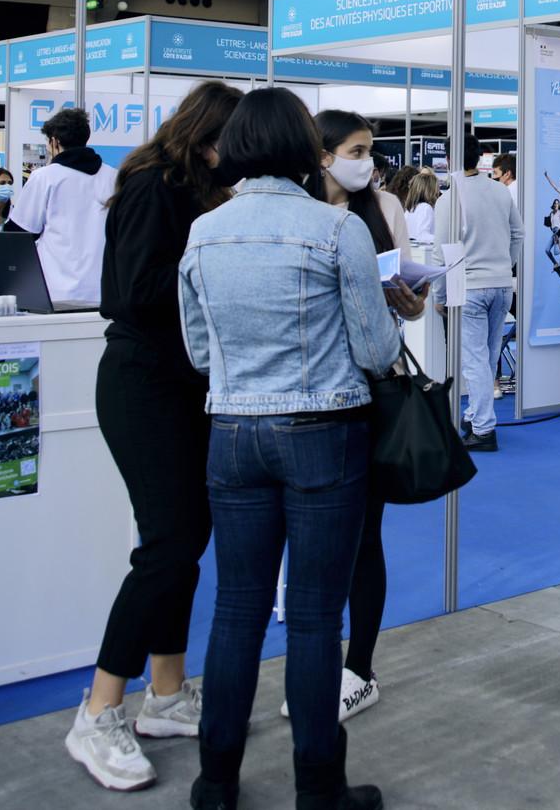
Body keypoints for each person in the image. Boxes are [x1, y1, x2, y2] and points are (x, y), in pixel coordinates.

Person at [177, 88, 399, 810]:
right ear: (307, 147)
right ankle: (318, 787)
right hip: (323, 434)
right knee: (311, 616)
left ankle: (215, 783)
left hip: (232, 432)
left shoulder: (204, 232)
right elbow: (374, 349)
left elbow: (199, 352)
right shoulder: (336, 230)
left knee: (236, 609)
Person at [66, 82, 240, 794]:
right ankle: (100, 708)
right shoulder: (151, 185)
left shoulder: (199, 188)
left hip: (186, 383)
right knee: (168, 543)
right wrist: (222, 256)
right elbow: (137, 291)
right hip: (142, 383)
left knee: (186, 536)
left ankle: (166, 694)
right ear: (208, 135)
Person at [313, 110, 426, 726]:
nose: (368, 161)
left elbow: (401, 303)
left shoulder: (384, 208)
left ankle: (360, 668)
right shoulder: (301, 208)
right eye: (358, 150)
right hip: (311, 393)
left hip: (371, 388)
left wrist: (412, 302)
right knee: (315, 544)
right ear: (324, 155)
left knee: (363, 538)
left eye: (371, 150)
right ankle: (318, 665)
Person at [437, 133, 521, 453]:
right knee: (486, 357)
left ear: (449, 158)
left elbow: (441, 251)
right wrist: (503, 266)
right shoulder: (500, 191)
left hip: (470, 288)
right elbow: (518, 234)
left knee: (474, 360)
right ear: (479, 157)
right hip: (501, 285)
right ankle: (474, 415)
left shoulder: (450, 198)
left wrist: (440, 293)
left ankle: (483, 428)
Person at [7, 107, 116, 307]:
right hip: (103, 291)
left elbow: (19, 232)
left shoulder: (45, 177)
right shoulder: (113, 177)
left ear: (54, 141)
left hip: (56, 291)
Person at [401, 170, 439, 244]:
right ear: (429, 190)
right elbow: (422, 235)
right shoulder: (426, 208)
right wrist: (442, 239)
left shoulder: (410, 210)